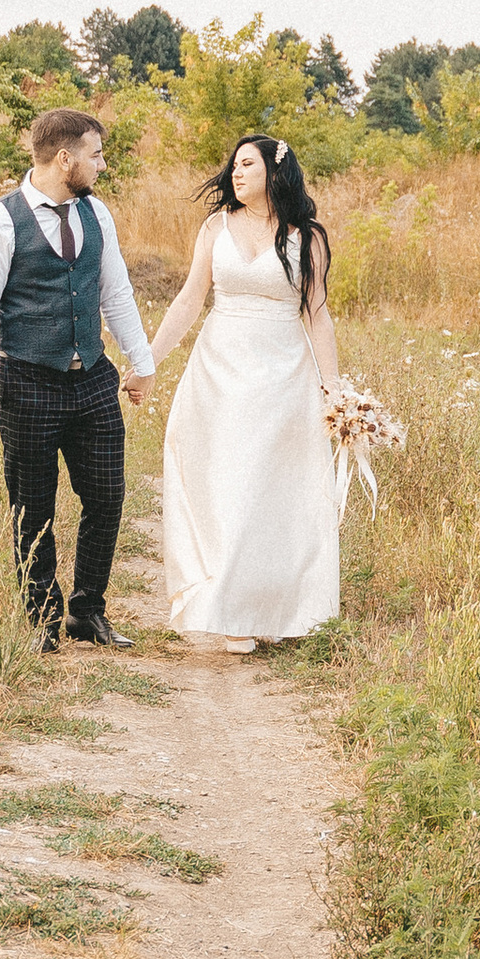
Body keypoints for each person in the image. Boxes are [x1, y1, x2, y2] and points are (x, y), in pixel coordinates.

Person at [0, 108, 154, 648]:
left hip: (91, 379)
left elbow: (115, 294)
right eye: (95, 154)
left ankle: (87, 611)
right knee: (32, 504)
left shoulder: (98, 214)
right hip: (27, 380)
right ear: (64, 158)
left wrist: (142, 364)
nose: (102, 164)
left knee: (108, 496)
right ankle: (41, 619)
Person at [149, 133, 341, 652]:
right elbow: (190, 300)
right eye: (233, 166)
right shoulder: (216, 227)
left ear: (275, 172)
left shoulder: (308, 237)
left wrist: (335, 391)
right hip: (219, 370)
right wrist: (148, 363)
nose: (235, 174)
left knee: (270, 489)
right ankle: (227, 605)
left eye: (247, 165)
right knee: (224, 482)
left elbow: (316, 314)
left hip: (283, 375)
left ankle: (269, 606)